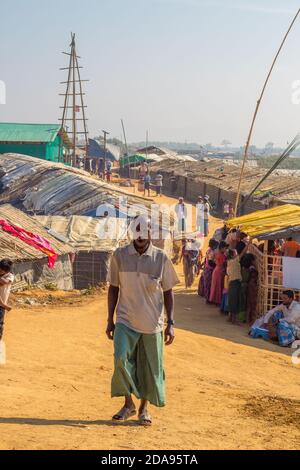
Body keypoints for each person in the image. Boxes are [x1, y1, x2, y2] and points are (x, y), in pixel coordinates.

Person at [106, 216, 179, 426]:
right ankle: (128, 403)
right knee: (120, 358)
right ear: (132, 233)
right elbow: (113, 288)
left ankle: (144, 409)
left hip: (152, 323)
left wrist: (170, 323)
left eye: (143, 230)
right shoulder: (119, 256)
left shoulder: (161, 258)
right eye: (136, 230)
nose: (139, 235)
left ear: (149, 233)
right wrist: (109, 319)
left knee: (150, 366)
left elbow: (168, 292)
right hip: (125, 319)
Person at [0, 260, 14, 345]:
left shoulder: (10, 276)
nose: (0, 271)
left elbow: (4, 282)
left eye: (2, 270)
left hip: (1, 305)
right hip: (2, 304)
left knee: (0, 323)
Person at [209, 241, 227, 305]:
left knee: (216, 286)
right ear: (222, 248)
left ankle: (214, 300)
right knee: (219, 286)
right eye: (225, 248)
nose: (226, 249)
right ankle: (218, 301)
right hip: (219, 271)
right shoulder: (221, 255)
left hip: (217, 270)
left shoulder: (218, 253)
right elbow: (223, 264)